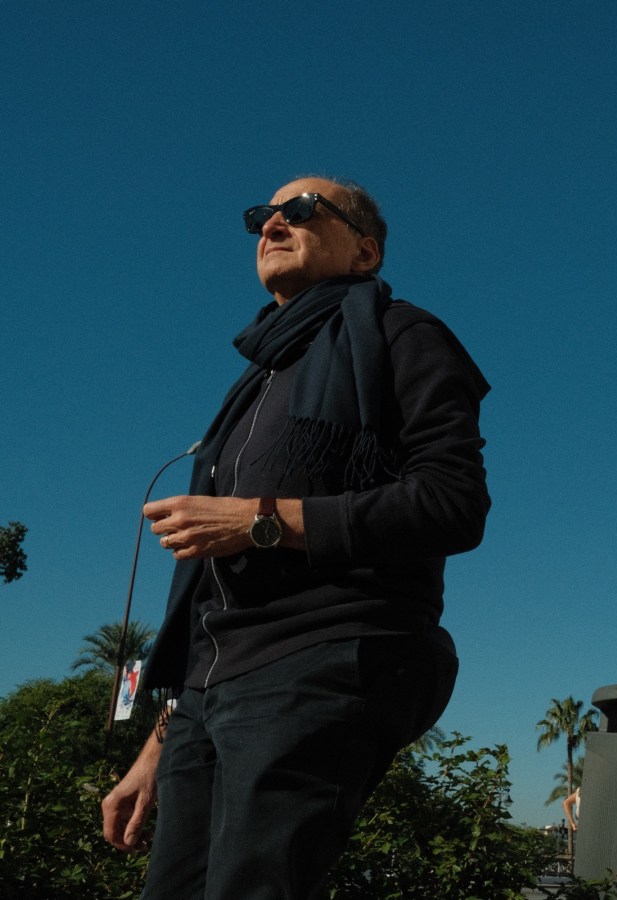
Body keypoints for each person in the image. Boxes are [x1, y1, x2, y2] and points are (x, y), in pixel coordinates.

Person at [100, 176, 491, 899]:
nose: (273, 224)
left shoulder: (403, 336)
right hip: (211, 697)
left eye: (303, 211)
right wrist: (160, 743)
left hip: (324, 657)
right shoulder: (252, 384)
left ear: (365, 252)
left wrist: (260, 519)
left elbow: (453, 503)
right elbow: (212, 596)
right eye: (262, 216)